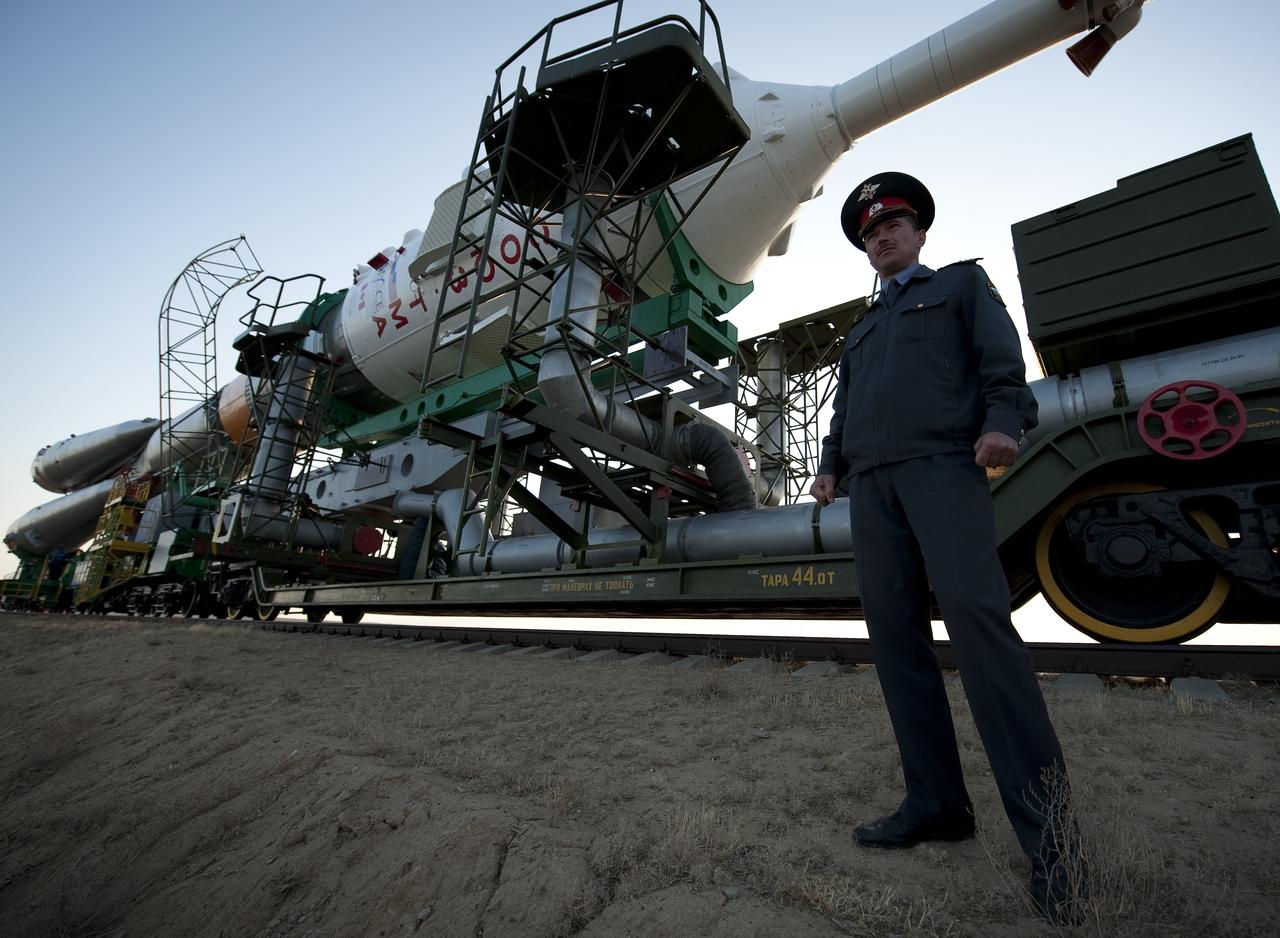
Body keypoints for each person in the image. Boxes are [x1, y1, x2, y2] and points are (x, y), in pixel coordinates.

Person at [812, 172, 1082, 924]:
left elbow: (1004, 365)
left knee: (979, 629)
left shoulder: (962, 286)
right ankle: (935, 804)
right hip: (873, 490)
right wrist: (830, 465)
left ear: (919, 230)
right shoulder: (860, 334)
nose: (882, 236)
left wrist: (1004, 421)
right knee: (895, 644)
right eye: (870, 232)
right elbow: (843, 414)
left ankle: (1053, 839)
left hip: (944, 471)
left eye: (893, 223)